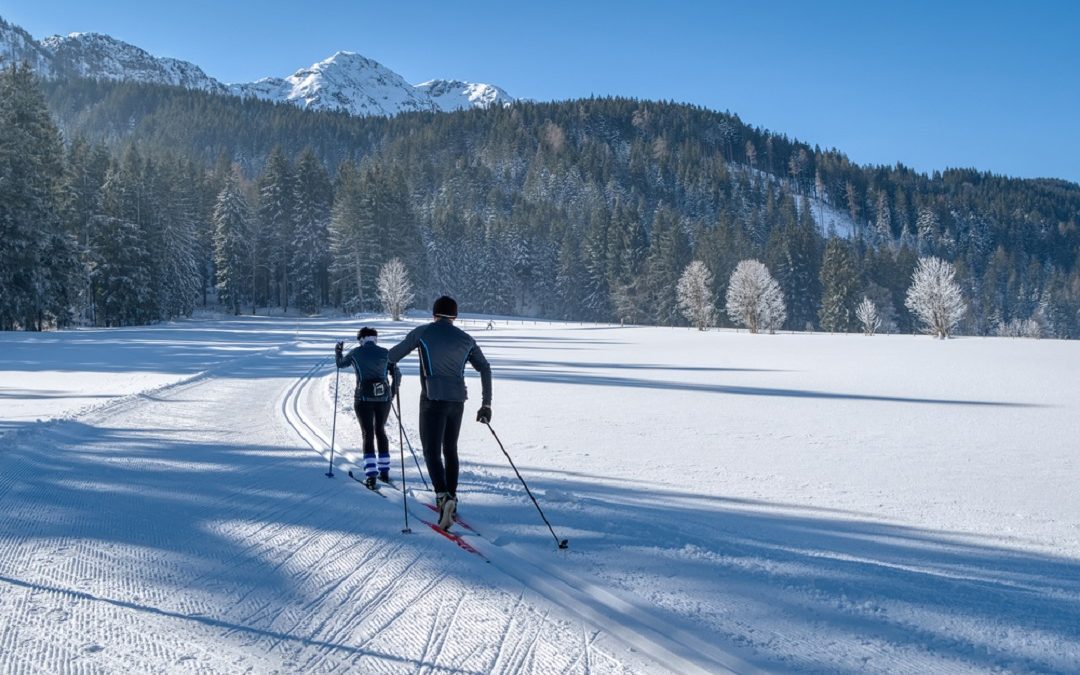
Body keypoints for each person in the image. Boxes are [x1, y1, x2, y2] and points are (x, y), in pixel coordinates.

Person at [388, 296, 492, 530]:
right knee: (450, 449)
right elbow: (485, 367)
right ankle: (452, 498)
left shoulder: (423, 333)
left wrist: (387, 370)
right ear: (454, 316)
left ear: (434, 313)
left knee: (431, 450)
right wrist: (486, 404)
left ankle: (442, 496)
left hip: (432, 399)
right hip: (457, 401)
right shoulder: (466, 339)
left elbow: (392, 356)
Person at [336, 327, 401, 490]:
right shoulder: (386, 352)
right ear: (375, 338)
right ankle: (384, 472)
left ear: (361, 339)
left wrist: (338, 351)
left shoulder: (356, 353)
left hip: (363, 398)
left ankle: (371, 475)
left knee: (367, 433)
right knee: (380, 431)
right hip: (384, 398)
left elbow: (340, 364)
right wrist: (392, 392)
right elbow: (397, 374)